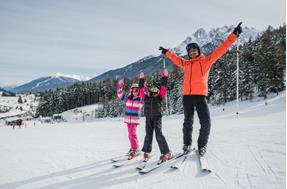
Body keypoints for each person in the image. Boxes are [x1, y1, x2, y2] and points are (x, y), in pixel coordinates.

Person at [159, 22, 243, 156]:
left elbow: (221, 49)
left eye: (194, 50)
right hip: (187, 97)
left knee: (206, 122)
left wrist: (234, 36)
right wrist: (167, 52)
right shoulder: (185, 64)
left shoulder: (206, 61)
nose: (192, 52)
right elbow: (175, 58)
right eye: (190, 51)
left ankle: (202, 145)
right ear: (188, 54)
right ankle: (187, 144)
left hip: (200, 96)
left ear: (198, 51)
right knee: (188, 123)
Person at [139, 69, 172, 162]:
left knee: (159, 135)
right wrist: (142, 79)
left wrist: (164, 78)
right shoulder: (146, 97)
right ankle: (147, 152)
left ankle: (166, 153)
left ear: (157, 91)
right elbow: (141, 89)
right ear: (149, 91)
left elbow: (164, 88)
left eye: (155, 90)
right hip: (148, 118)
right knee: (148, 135)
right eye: (152, 90)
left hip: (157, 118)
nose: (153, 92)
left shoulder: (159, 97)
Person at [117, 78, 144, 159]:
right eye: (133, 90)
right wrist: (120, 86)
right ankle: (133, 147)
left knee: (133, 134)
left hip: (135, 119)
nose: (135, 92)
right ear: (131, 91)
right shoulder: (128, 98)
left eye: (137, 90)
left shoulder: (140, 99)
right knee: (129, 135)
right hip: (128, 119)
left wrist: (143, 87)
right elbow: (120, 95)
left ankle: (136, 149)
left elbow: (144, 94)